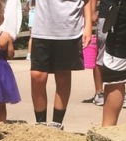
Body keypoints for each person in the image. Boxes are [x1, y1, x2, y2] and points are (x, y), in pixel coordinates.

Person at [30, 0, 93, 130]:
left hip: (69, 28)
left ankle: (57, 123)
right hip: (42, 27)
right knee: (37, 76)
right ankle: (40, 124)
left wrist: (88, 26)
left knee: (63, 75)